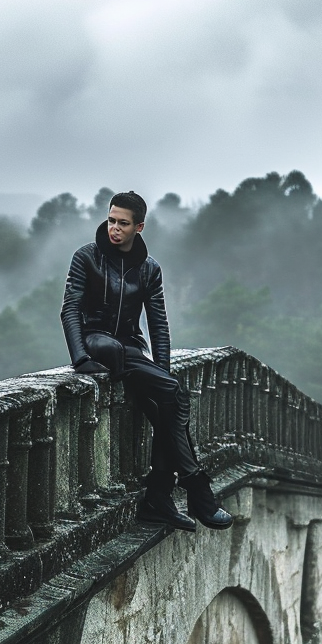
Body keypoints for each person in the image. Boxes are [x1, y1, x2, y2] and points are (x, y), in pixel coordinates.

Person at [60, 190, 232, 531]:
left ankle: (159, 497)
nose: (114, 229)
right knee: (170, 395)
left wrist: (162, 373)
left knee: (168, 403)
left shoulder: (150, 269)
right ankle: (195, 486)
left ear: (139, 227)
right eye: (111, 220)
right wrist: (80, 358)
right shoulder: (87, 257)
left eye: (123, 223)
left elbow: (158, 324)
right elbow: (70, 309)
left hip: (131, 348)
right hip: (98, 343)